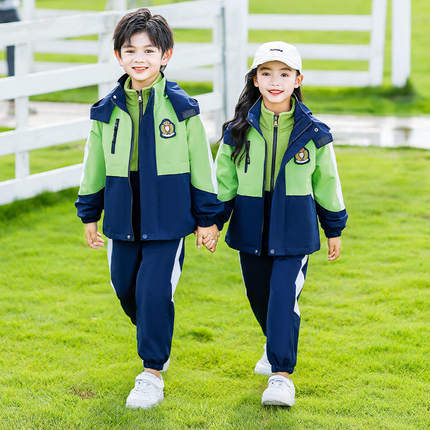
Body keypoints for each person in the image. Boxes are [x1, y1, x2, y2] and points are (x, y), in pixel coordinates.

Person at [75, 8, 221, 410]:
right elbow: (94, 165)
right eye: (130, 50)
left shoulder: (183, 108)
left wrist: (207, 219)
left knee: (154, 292)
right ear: (118, 55)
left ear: (165, 55)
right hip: (121, 219)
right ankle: (155, 333)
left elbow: (202, 166)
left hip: (168, 220)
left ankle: (151, 372)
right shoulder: (105, 110)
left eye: (149, 50)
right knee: (125, 288)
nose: (139, 58)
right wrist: (89, 213)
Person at [215, 41, 348, 407]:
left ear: (297, 80)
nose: (275, 81)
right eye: (267, 73)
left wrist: (334, 228)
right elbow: (224, 181)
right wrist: (213, 222)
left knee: (282, 298)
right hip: (250, 228)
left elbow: (327, 182)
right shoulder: (236, 131)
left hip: (295, 230)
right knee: (259, 298)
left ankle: (281, 376)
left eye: (284, 74)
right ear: (255, 80)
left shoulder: (315, 133)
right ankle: (274, 341)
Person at [0, 0, 20, 116]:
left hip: (10, 10)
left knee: (15, 58)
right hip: (8, 11)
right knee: (14, 58)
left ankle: (14, 102)